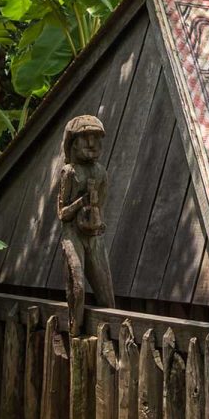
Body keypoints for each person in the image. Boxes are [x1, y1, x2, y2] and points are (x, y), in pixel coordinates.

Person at [57, 115, 114, 337]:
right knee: (78, 284)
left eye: (96, 138)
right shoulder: (69, 172)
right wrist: (81, 202)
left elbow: (100, 205)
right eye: (85, 138)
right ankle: (74, 331)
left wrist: (98, 222)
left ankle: (111, 334)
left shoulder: (101, 172)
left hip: (93, 236)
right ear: (72, 143)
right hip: (72, 234)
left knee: (106, 292)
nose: (92, 144)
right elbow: (62, 213)